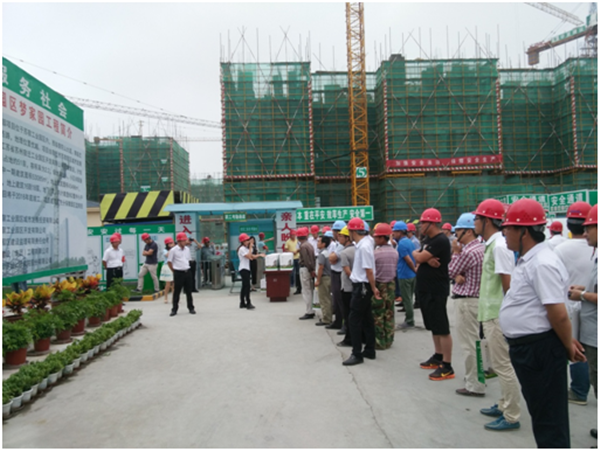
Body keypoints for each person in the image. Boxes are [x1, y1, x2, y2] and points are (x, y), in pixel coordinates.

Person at [499, 198, 586, 447]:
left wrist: (567, 344)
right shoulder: (530, 259)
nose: (505, 234)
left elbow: (558, 313)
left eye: (508, 229)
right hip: (530, 349)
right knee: (542, 413)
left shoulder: (542, 263)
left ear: (524, 232)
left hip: (539, 349)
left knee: (549, 419)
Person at [473, 198, 521, 431]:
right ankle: (503, 404)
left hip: (497, 314)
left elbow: (507, 284)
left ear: (487, 221)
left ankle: (511, 415)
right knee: (500, 364)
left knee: (503, 365)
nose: (474, 222)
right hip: (490, 312)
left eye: (477, 218)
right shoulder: (492, 244)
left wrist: (506, 315)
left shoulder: (499, 246)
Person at [554, 201, 594, 406]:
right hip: (589, 305)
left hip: (571, 304)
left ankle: (579, 390)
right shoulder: (593, 249)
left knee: (575, 346)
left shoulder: (560, 249)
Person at [566, 203, 598, 442]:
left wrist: (583, 295)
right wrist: (585, 289)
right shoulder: (596, 255)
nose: (584, 233)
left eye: (590, 228)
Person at [412, 208, 453, 381]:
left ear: (432, 223)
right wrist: (424, 257)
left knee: (441, 327)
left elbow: (418, 258)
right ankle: (438, 355)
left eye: (423, 223)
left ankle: (447, 364)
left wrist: (423, 257)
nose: (421, 226)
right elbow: (416, 255)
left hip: (436, 289)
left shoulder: (440, 240)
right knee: (433, 325)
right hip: (425, 288)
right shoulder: (428, 240)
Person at [448, 213, 485, 397]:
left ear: (468, 232)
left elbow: (451, 271)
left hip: (467, 300)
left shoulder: (468, 252)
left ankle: (474, 384)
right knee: (475, 342)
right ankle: (477, 378)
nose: (456, 235)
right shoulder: (481, 248)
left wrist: (455, 253)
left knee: (469, 345)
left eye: (459, 231)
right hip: (476, 299)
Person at [342, 217, 381, 366]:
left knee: (354, 320)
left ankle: (357, 353)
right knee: (366, 318)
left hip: (362, 286)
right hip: (364, 285)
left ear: (353, 232)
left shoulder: (363, 247)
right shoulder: (366, 243)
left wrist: (373, 287)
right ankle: (370, 349)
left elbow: (368, 270)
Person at [372, 223, 398, 350]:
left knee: (378, 314)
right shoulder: (394, 252)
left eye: (377, 237)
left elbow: (372, 272)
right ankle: (389, 339)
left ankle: (379, 341)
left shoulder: (376, 253)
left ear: (382, 238)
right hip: (391, 285)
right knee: (389, 312)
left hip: (379, 285)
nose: (375, 239)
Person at [393, 221, 417, 329]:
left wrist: (414, 269)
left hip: (405, 274)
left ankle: (409, 320)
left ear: (400, 232)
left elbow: (408, 260)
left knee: (406, 299)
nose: (393, 234)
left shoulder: (401, 244)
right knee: (409, 297)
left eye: (395, 231)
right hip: (411, 275)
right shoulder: (410, 242)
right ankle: (409, 318)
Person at [167, 232, 196, 317]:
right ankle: (174, 309)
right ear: (179, 241)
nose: (185, 242)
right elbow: (169, 262)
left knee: (189, 291)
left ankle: (191, 308)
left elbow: (188, 259)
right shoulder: (173, 250)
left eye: (185, 240)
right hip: (178, 272)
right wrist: (174, 271)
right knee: (177, 292)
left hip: (187, 271)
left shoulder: (187, 249)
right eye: (183, 240)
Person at [337, 226, 355, 347]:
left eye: (341, 236)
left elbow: (348, 272)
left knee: (348, 314)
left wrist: (354, 281)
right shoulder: (357, 249)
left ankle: (349, 339)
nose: (339, 238)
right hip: (356, 287)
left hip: (348, 287)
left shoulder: (344, 252)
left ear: (347, 237)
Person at [328, 220, 347, 330]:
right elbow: (331, 258)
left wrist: (332, 257)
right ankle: (338, 321)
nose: (335, 234)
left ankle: (344, 323)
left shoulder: (341, 245)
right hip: (335, 272)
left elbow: (332, 258)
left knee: (341, 300)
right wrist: (332, 257)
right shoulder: (336, 244)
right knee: (336, 299)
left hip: (340, 273)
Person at [237, 233, 265, 310]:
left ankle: (242, 303)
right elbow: (249, 256)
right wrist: (250, 248)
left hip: (247, 268)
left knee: (244, 286)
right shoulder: (242, 249)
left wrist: (259, 255)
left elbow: (252, 257)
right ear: (243, 241)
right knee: (247, 286)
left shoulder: (246, 249)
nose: (248, 241)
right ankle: (248, 303)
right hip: (243, 269)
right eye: (246, 240)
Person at [298, 227, 317, 320]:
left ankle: (309, 311)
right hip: (309, 269)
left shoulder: (303, 246)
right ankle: (312, 309)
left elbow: (306, 260)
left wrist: (310, 269)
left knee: (306, 290)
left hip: (305, 269)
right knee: (310, 290)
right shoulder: (309, 245)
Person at [315, 235, 333, 326]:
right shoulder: (327, 252)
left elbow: (321, 267)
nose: (317, 243)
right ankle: (328, 317)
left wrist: (318, 280)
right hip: (329, 277)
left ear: (324, 244)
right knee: (328, 298)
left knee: (324, 299)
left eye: (319, 241)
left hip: (324, 278)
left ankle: (326, 319)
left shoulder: (322, 254)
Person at [285, 230, 301, 295]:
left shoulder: (298, 241)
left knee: (298, 272)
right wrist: (291, 252)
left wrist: (297, 251)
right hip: (291, 258)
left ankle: (298, 286)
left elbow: (301, 248)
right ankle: (291, 284)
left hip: (298, 258)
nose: (293, 236)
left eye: (294, 235)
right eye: (292, 235)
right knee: (291, 272)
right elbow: (286, 250)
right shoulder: (288, 242)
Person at [160, 237, 175, 304]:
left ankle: (174, 298)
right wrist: (171, 248)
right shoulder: (165, 250)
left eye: (172, 243)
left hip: (174, 266)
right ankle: (165, 297)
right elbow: (167, 255)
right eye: (170, 243)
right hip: (167, 266)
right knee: (168, 283)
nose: (171, 244)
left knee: (174, 283)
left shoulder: (175, 249)